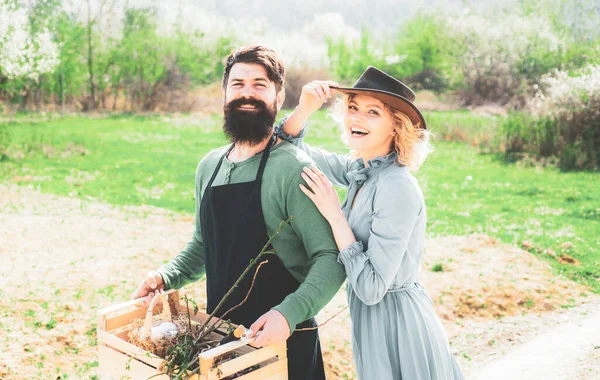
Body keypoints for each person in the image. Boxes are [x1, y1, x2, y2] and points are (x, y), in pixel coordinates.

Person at [132, 46, 346, 380]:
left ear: (278, 96)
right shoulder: (210, 167)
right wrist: (165, 276)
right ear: (224, 94)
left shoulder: (293, 169)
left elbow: (331, 258)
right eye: (238, 84)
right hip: (221, 342)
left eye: (260, 85)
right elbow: (205, 245)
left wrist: (288, 315)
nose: (247, 93)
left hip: (284, 346)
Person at [276, 66, 465, 380]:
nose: (357, 118)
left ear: (395, 126)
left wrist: (335, 216)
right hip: (372, 323)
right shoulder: (361, 170)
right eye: (353, 107)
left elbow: (372, 287)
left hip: (398, 325)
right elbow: (289, 148)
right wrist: (305, 107)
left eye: (372, 112)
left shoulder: (396, 186)